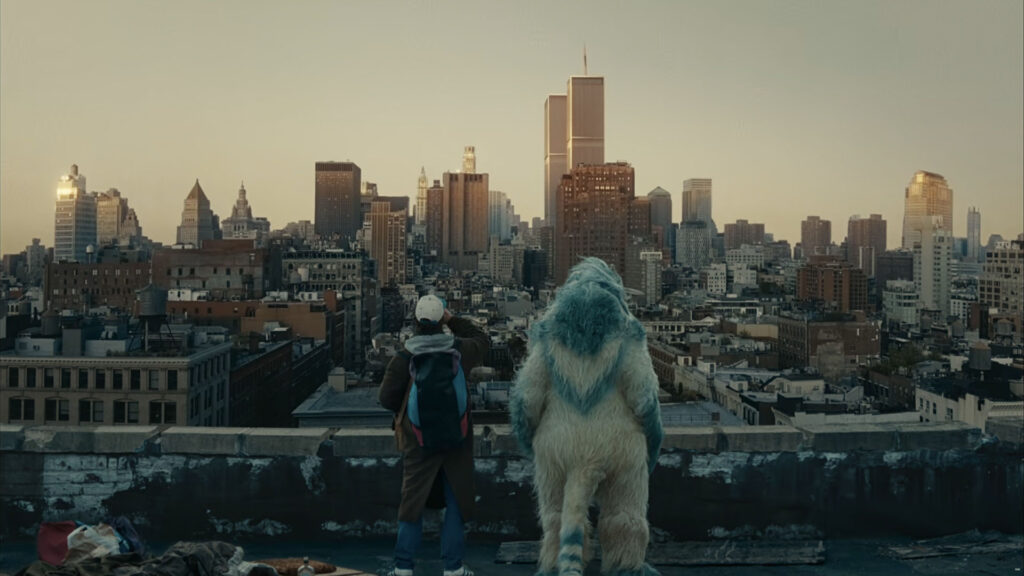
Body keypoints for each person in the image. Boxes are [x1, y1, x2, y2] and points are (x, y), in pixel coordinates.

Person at [510, 257, 664, 576]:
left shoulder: (548, 330)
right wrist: (653, 443)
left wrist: (530, 441)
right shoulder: (626, 329)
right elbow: (645, 396)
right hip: (616, 442)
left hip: (559, 442)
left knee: (556, 510)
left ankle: (558, 560)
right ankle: (624, 563)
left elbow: (526, 397)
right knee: (625, 507)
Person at [378, 294, 490, 576]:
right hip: (457, 437)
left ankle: (403, 568)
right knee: (456, 502)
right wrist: (453, 320)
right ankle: (453, 568)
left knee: (411, 503)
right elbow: (482, 339)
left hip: (419, 439)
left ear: (415, 321)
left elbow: (386, 397)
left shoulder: (405, 356)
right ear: (441, 320)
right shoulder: (459, 350)